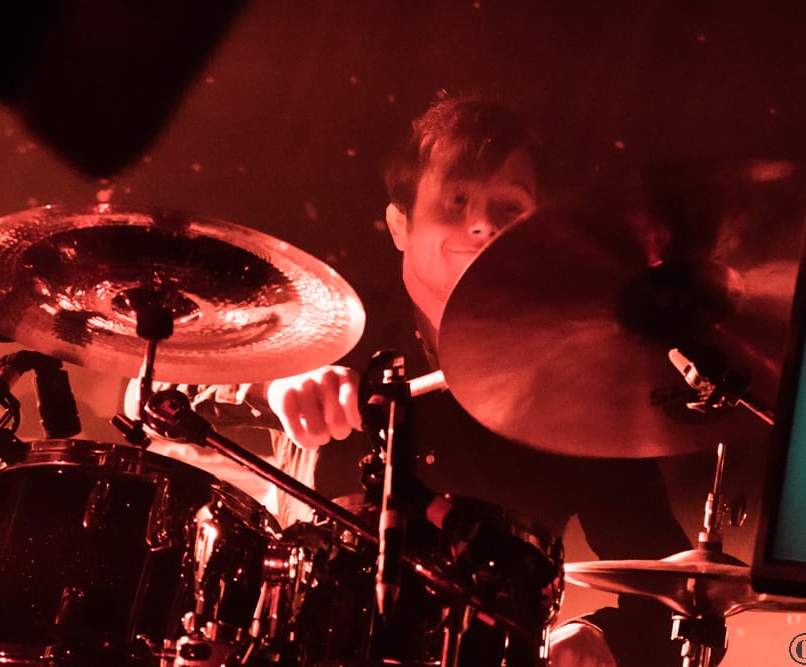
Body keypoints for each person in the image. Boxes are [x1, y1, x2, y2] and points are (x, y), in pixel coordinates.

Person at [140, 94, 691, 666]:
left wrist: (603, 638)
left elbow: (683, 596)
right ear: (399, 225)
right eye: (457, 200)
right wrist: (271, 386)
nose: (482, 224)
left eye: (510, 207)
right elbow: (154, 392)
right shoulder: (322, 325)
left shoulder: (582, 387)